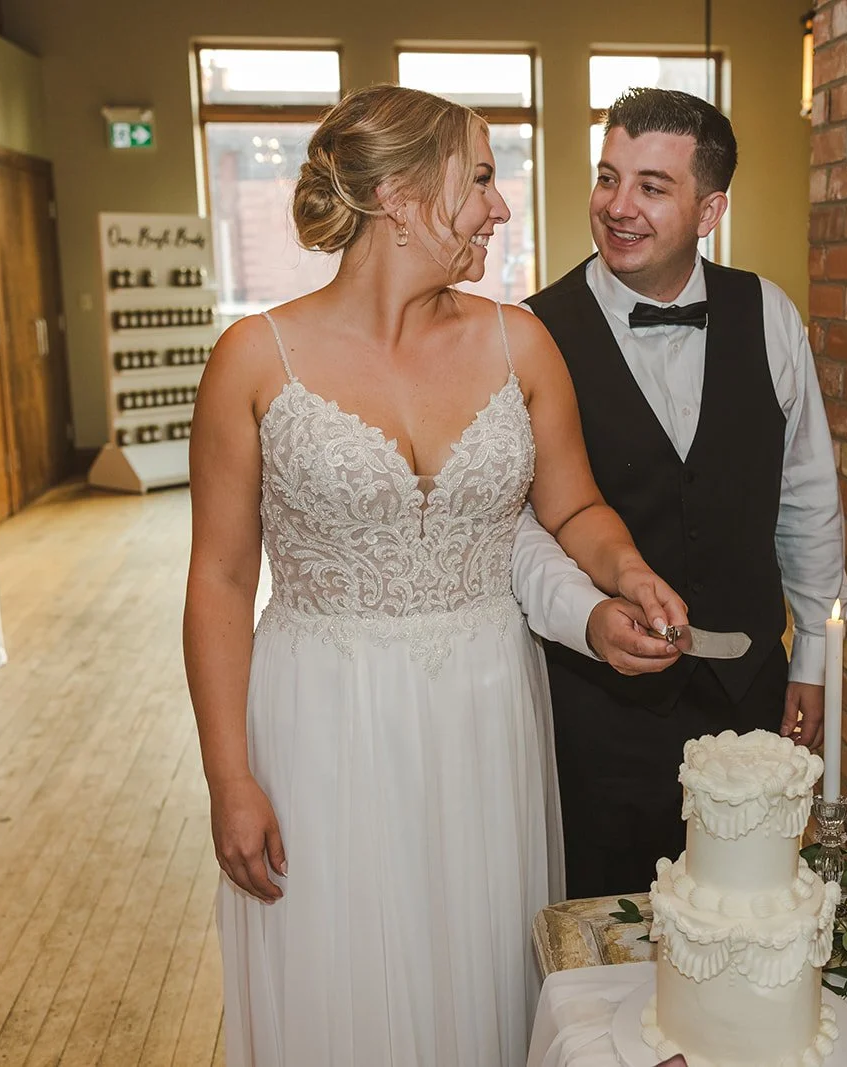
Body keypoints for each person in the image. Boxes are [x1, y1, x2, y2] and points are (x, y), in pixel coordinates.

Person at [182, 84, 686, 1067]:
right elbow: (217, 578)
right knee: (341, 971)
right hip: (322, 716)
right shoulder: (253, 359)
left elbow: (572, 507)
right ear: (402, 197)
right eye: (485, 181)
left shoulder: (519, 343)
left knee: (477, 966)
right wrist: (227, 774)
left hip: (483, 709)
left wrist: (625, 570)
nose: (501, 208)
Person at [512, 88, 847, 900]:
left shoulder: (767, 313)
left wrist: (812, 657)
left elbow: (807, 496)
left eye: (652, 187)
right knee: (606, 926)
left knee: (748, 914)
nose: (617, 207)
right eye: (607, 177)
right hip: (596, 704)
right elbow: (520, 526)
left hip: (749, 695)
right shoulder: (533, 332)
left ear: (710, 209)